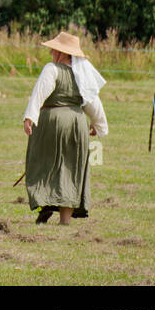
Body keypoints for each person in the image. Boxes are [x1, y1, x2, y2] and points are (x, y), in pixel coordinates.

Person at [22, 30, 109, 225]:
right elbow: (93, 104)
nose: (51, 53)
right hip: (77, 124)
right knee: (71, 168)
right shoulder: (83, 76)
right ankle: (65, 221)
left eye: (54, 49)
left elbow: (39, 93)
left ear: (62, 53)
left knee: (43, 162)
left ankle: (45, 204)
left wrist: (29, 117)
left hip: (51, 123)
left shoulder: (52, 69)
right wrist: (99, 125)